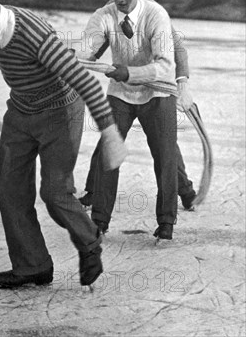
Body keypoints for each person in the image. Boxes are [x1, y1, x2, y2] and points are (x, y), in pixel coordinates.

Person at [0, 0, 127, 289]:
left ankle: (90, 243)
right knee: (7, 188)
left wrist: (110, 133)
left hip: (59, 112)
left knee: (55, 192)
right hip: (20, 112)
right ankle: (33, 266)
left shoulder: (34, 33)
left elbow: (84, 82)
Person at [79, 0, 180, 241]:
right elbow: (85, 50)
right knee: (109, 151)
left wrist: (131, 72)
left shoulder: (156, 15)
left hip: (157, 93)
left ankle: (166, 221)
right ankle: (99, 221)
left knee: (165, 157)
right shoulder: (104, 15)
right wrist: (59, 55)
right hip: (121, 92)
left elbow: (165, 64)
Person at [78, 30, 197, 212]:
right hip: (123, 91)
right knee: (110, 138)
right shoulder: (112, 13)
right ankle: (95, 192)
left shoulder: (152, 12)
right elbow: (95, 46)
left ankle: (186, 192)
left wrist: (182, 83)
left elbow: (178, 50)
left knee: (164, 146)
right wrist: (78, 57)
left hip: (155, 91)